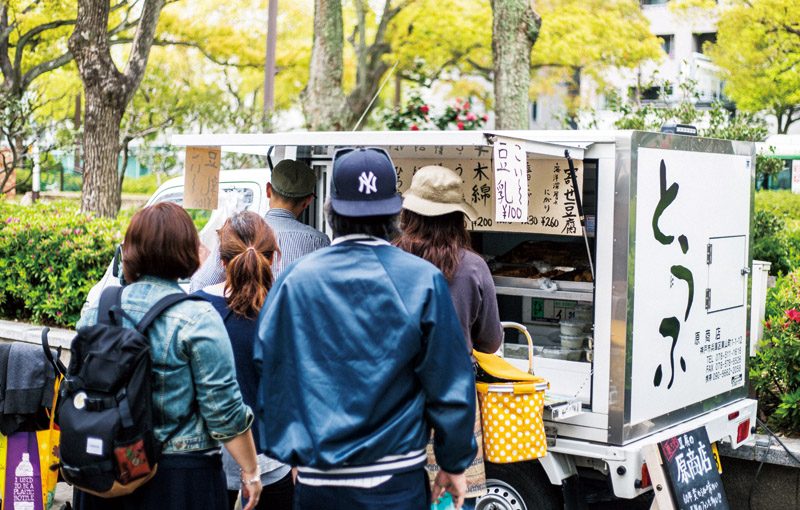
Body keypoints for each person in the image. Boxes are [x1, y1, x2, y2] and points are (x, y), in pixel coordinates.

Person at [254, 147, 478, 510]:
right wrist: (453, 462)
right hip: (396, 479)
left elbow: (269, 369)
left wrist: (289, 448)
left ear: (331, 210)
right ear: (394, 213)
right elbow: (450, 385)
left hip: (317, 478)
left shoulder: (296, 281)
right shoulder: (422, 281)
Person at [73, 202, 262, 510]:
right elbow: (224, 411)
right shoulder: (196, 317)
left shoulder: (98, 308)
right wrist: (251, 471)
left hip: (106, 468)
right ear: (188, 251)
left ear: (131, 248)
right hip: (178, 478)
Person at [395, 164, 504, 510]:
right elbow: (490, 340)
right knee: (456, 498)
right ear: (458, 217)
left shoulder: (391, 258)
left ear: (409, 212)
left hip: (397, 396)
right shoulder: (473, 267)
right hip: (456, 397)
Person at [194, 211, 294, 510]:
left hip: (210, 455)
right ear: (273, 258)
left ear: (222, 262)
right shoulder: (286, 307)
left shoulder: (196, 307)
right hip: (273, 457)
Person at [191, 159, 330, 291]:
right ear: (308, 201)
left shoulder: (237, 232)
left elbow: (199, 286)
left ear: (268, 190)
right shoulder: (318, 242)